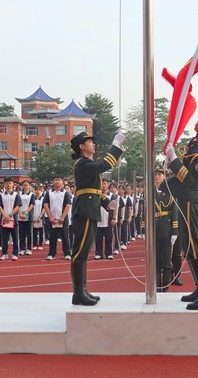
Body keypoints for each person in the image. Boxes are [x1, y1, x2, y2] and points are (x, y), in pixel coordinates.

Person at [160, 105, 198, 310]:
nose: (196, 121)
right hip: (184, 196)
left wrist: (174, 160)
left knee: (194, 245)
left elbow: (188, 179)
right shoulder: (197, 143)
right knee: (188, 245)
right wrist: (171, 161)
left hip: (190, 197)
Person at [70, 131, 124, 306]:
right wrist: (115, 147)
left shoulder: (87, 164)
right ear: (81, 146)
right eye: (89, 142)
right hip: (85, 211)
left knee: (84, 252)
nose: (93, 144)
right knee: (80, 253)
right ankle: (78, 293)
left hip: (90, 210)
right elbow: (105, 164)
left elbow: (95, 191)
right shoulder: (83, 163)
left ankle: (82, 291)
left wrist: (107, 203)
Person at [153, 164, 179, 291]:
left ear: (164, 176)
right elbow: (145, 212)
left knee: (167, 261)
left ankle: (166, 287)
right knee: (156, 261)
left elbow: (174, 212)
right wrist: (144, 229)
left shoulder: (170, 192)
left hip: (167, 230)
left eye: (160, 174)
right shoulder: (150, 193)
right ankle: (158, 287)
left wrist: (175, 231)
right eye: (155, 174)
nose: (157, 176)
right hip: (154, 230)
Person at [43, 177, 72, 261]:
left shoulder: (65, 193)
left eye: (59, 180)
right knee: (52, 237)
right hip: (52, 219)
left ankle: (67, 253)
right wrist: (50, 217)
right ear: (53, 182)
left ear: (62, 182)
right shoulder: (49, 193)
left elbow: (68, 205)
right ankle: (51, 254)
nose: (57, 182)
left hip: (62, 219)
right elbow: (45, 205)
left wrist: (62, 217)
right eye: (55, 180)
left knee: (65, 237)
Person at [18, 180, 35, 256]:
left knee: (29, 233)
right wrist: (20, 213)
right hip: (20, 215)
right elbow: (17, 205)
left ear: (29, 186)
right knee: (21, 233)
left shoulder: (31, 194)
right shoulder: (19, 194)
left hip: (28, 215)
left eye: (27, 185)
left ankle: (29, 249)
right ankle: (22, 249)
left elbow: (32, 205)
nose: (25, 186)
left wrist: (26, 213)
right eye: (24, 185)